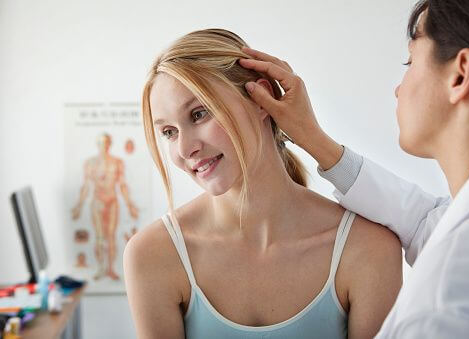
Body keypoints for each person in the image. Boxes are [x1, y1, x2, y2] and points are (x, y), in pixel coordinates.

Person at [238, 0, 469, 337]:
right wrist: (313, 138)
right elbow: (425, 219)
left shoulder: (446, 309)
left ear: (460, 75)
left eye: (410, 61)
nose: (398, 88)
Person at [123, 29, 402, 339]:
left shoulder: (366, 250)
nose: (185, 149)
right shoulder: (154, 255)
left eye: (199, 114)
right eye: (169, 132)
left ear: (261, 99)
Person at [72, 133, 139, 280]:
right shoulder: (90, 163)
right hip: (97, 201)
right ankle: (101, 267)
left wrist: (130, 205)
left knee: (111, 236)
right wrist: (78, 206)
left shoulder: (117, 162)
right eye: (101, 143)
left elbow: (122, 185)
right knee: (99, 236)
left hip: (112, 201)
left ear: (110, 144)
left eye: (107, 143)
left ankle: (110, 268)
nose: (104, 146)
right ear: (98, 145)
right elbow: (86, 186)